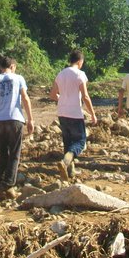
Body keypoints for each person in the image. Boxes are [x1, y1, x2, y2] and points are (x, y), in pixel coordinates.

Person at [0, 56, 34, 199]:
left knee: (2, 154)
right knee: (14, 154)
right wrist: (30, 119)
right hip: (15, 120)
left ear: (0, 68)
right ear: (12, 66)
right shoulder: (18, 78)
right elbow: (25, 98)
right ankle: (8, 184)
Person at [49, 49, 98, 181]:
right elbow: (86, 96)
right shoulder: (80, 74)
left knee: (68, 141)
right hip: (75, 113)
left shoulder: (60, 74)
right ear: (79, 61)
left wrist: (62, 98)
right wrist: (93, 114)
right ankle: (65, 162)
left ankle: (70, 171)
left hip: (62, 112)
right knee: (80, 142)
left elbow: (52, 95)